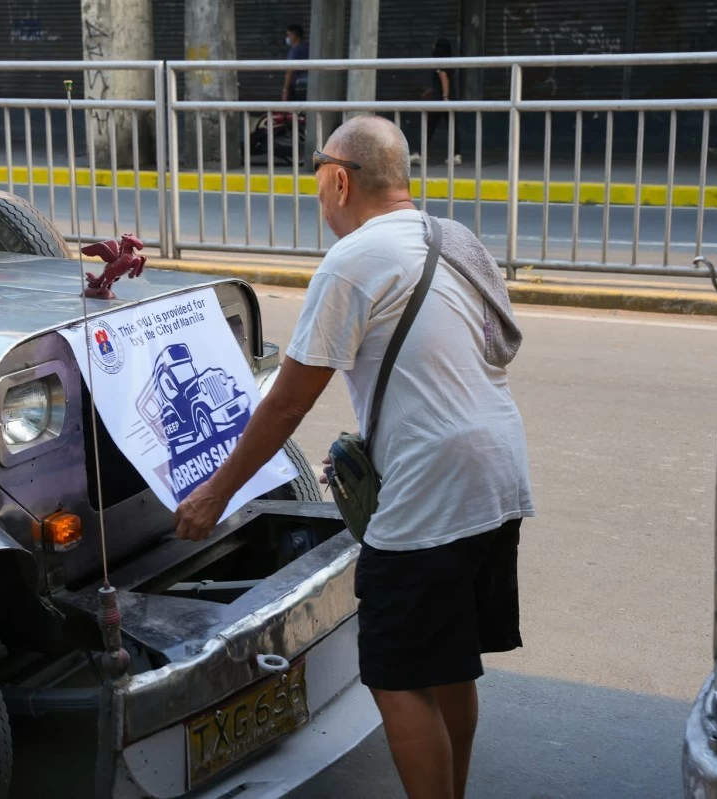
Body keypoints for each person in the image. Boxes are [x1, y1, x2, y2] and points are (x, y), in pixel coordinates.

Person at [173, 115, 535, 799]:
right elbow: (496, 347)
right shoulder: (455, 238)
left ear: (340, 178)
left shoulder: (354, 261)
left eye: (318, 184)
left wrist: (213, 494)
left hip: (432, 487)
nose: (319, 199)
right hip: (499, 473)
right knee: (450, 662)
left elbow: (286, 403)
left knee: (396, 672)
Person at [410, 36, 463, 167]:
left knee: (430, 126)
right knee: (451, 126)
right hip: (447, 97)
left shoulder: (439, 61)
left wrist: (444, 96)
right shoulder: (449, 61)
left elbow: (443, 78)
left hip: (441, 100)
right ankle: (456, 155)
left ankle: (421, 154)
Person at [282, 24, 309, 102]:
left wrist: (285, 89)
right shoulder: (308, 47)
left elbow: (289, 70)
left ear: (294, 35)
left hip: (298, 86)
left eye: (288, 35)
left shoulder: (294, 51)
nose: (287, 38)